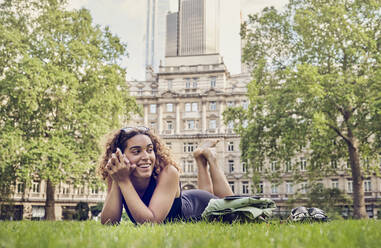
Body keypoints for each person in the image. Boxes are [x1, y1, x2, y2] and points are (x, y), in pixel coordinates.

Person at [98, 126, 233, 225]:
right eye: (136, 151)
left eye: (150, 150)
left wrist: (124, 181)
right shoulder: (117, 174)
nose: (146, 157)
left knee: (231, 205)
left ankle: (211, 159)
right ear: (119, 156)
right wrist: (118, 180)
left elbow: (151, 223)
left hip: (198, 204)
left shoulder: (168, 172)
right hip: (185, 199)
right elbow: (109, 223)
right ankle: (200, 158)